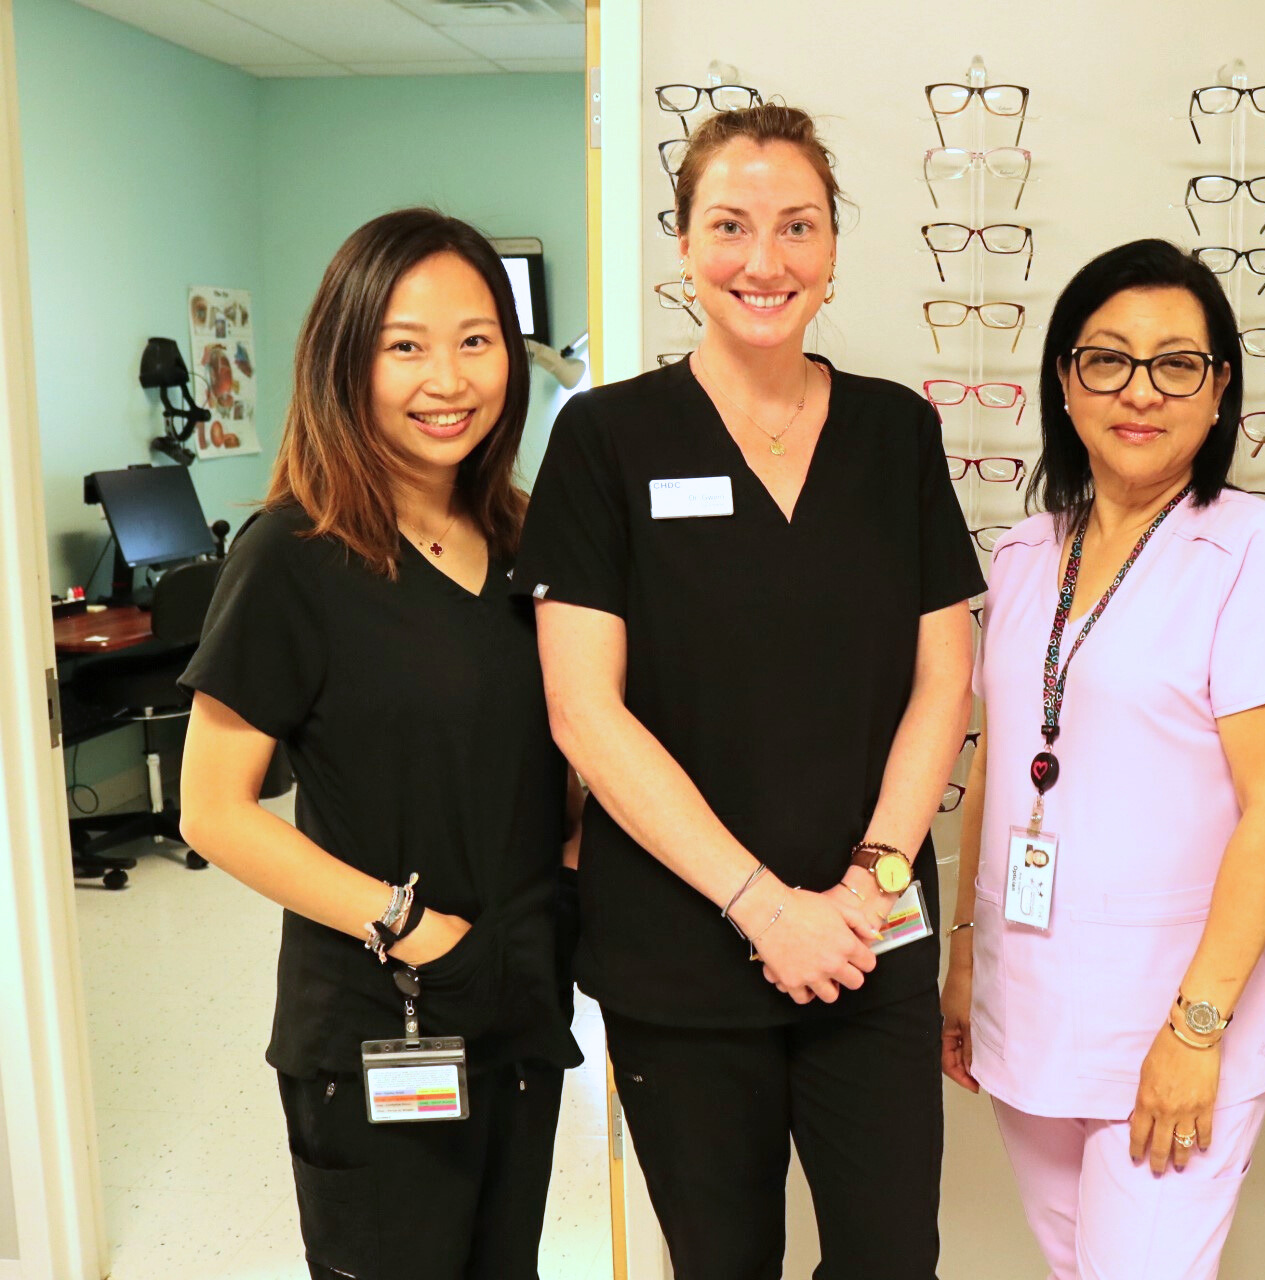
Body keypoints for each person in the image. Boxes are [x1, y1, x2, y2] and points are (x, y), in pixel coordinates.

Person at [515, 104, 979, 1280]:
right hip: (680, 946)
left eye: (796, 226)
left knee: (890, 1259)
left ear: (832, 247)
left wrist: (871, 883)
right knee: (722, 1260)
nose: (762, 261)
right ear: (681, 244)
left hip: (870, 939)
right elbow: (585, 712)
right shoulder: (604, 440)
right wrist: (766, 906)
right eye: (728, 225)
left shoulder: (896, 432)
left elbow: (942, 677)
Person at [177, 207, 584, 1279]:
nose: (447, 377)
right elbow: (212, 809)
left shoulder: (525, 537)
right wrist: (408, 927)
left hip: (522, 1005)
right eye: (404, 345)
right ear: (344, 361)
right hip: (381, 1018)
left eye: (475, 340)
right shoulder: (294, 555)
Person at [940, 238, 1265, 1280]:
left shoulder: (1255, 548)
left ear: (1220, 392)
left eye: (1177, 363)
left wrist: (1197, 1028)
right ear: (1065, 383)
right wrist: (965, 957)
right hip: (1030, 1000)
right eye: (1108, 359)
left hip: (1174, 1012)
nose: (1140, 390)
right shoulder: (1027, 553)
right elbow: (997, 765)